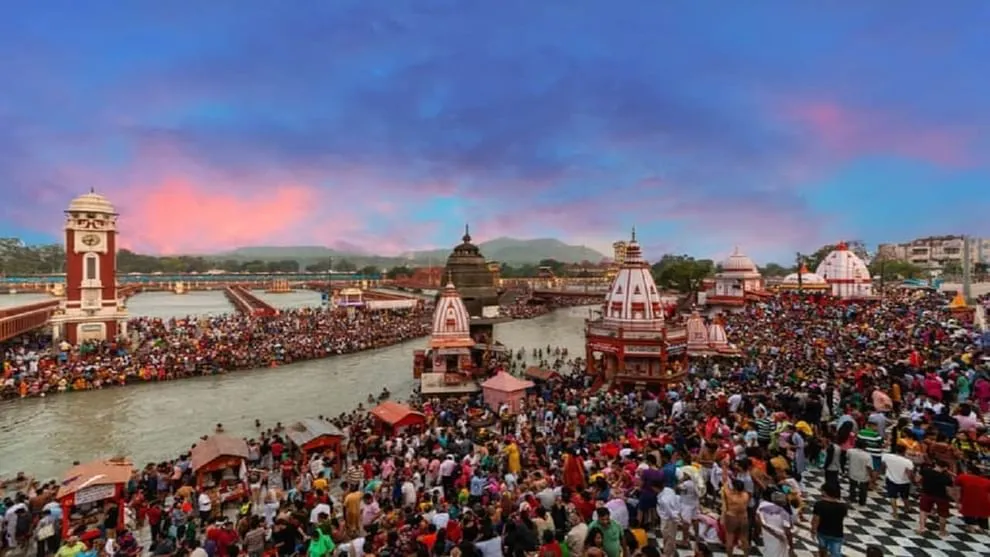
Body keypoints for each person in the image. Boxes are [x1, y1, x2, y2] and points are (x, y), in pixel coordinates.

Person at [811, 482, 847, 557]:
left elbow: (816, 519)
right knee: (836, 553)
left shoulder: (819, 504)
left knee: (822, 549)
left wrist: (813, 530)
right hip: (837, 533)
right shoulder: (843, 506)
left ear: (825, 492)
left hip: (822, 532)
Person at [880, 444, 914, 518]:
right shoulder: (908, 462)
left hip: (891, 479)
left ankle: (895, 513)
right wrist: (913, 481)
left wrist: (884, 471)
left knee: (892, 496)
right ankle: (907, 508)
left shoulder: (886, 456)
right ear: (904, 451)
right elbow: (909, 474)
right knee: (905, 496)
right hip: (904, 481)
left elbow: (883, 466)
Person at [756, 491, 793, 557]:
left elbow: (757, 517)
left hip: (766, 534)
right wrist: (791, 546)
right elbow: (788, 532)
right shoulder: (785, 514)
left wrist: (762, 527)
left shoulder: (763, 505)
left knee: (769, 550)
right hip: (779, 537)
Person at [956, 463, 990, 532]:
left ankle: (970, 527)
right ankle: (983, 528)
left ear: (969, 471)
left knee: (968, 512)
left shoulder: (962, 477)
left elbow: (956, 488)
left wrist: (957, 501)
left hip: (968, 501)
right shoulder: (987, 481)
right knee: (982, 514)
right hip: (983, 502)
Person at [720, 479, 749, 557]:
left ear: (735, 488)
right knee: (744, 539)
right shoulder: (746, 495)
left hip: (732, 518)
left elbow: (725, 484)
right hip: (744, 518)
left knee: (729, 540)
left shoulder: (730, 496)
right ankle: (746, 555)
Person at [846, 439, 874, 506]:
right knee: (863, 489)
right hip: (863, 475)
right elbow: (869, 467)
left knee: (852, 487)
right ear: (865, 446)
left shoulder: (850, 451)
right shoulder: (867, 456)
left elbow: (847, 457)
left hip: (852, 472)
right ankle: (862, 501)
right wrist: (871, 475)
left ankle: (852, 498)